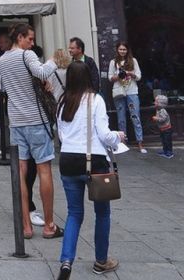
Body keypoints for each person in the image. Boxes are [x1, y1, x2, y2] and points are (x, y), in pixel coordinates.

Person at [56, 60, 125, 280]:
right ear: (88, 77)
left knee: (74, 213)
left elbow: (61, 134)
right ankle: (101, 261)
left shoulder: (62, 101)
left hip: (67, 160)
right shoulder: (96, 100)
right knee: (102, 213)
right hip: (94, 161)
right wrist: (118, 137)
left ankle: (66, 262)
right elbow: (104, 135)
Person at [0, 22, 62, 240]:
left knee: (21, 172)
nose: (32, 43)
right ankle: (49, 225)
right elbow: (42, 72)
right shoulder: (28, 56)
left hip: (16, 121)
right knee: (44, 169)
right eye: (30, 39)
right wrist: (54, 60)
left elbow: (3, 88)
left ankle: (26, 226)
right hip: (36, 119)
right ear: (21, 38)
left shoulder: (2, 59)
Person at [108, 41, 147, 154]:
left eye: (124, 49)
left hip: (131, 91)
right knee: (121, 119)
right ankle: (123, 143)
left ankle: (140, 143)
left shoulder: (133, 61)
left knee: (135, 117)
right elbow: (110, 77)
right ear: (117, 50)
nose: (122, 51)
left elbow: (139, 76)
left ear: (127, 50)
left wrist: (130, 73)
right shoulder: (113, 62)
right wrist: (118, 76)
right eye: (120, 49)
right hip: (119, 91)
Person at [151, 94, 173, 159]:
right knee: (164, 140)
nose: (154, 103)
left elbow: (163, 119)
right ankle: (165, 151)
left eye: (156, 102)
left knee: (167, 141)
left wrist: (156, 118)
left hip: (166, 129)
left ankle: (169, 152)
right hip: (162, 129)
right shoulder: (158, 110)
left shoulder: (162, 110)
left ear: (160, 103)